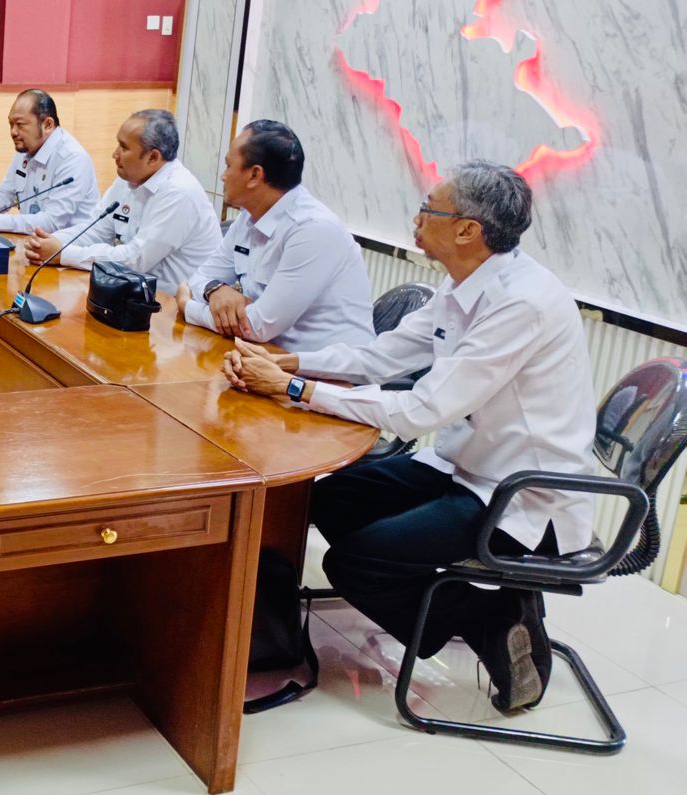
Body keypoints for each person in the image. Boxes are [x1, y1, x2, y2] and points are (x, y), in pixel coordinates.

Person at [221, 162, 596, 713]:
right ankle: (474, 595)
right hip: (462, 465)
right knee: (326, 500)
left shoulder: (522, 304)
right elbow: (381, 355)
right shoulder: (465, 281)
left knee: (353, 564)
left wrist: (296, 388)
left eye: (429, 208)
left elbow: (420, 410)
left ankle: (490, 617)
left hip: (519, 498)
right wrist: (289, 361)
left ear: (468, 230)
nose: (416, 217)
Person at [176, 119, 373, 352]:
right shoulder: (249, 216)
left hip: (329, 376)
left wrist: (188, 307)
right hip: (268, 357)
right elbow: (199, 278)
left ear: (254, 175)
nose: (223, 176)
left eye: (228, 166)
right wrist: (214, 289)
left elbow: (257, 326)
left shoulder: (312, 230)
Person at [21, 109, 220, 292]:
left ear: (153, 157)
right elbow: (94, 230)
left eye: (124, 148)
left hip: (172, 312)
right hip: (130, 296)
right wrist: (49, 243)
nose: (114, 154)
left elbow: (134, 260)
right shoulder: (128, 180)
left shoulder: (179, 192)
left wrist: (63, 254)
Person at [0, 89, 98, 234]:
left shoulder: (72, 159)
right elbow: (4, 196)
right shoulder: (27, 148)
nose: (13, 132)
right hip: (35, 244)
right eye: (11, 124)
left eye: (20, 125)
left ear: (47, 125)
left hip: (68, 252)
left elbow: (52, 223)